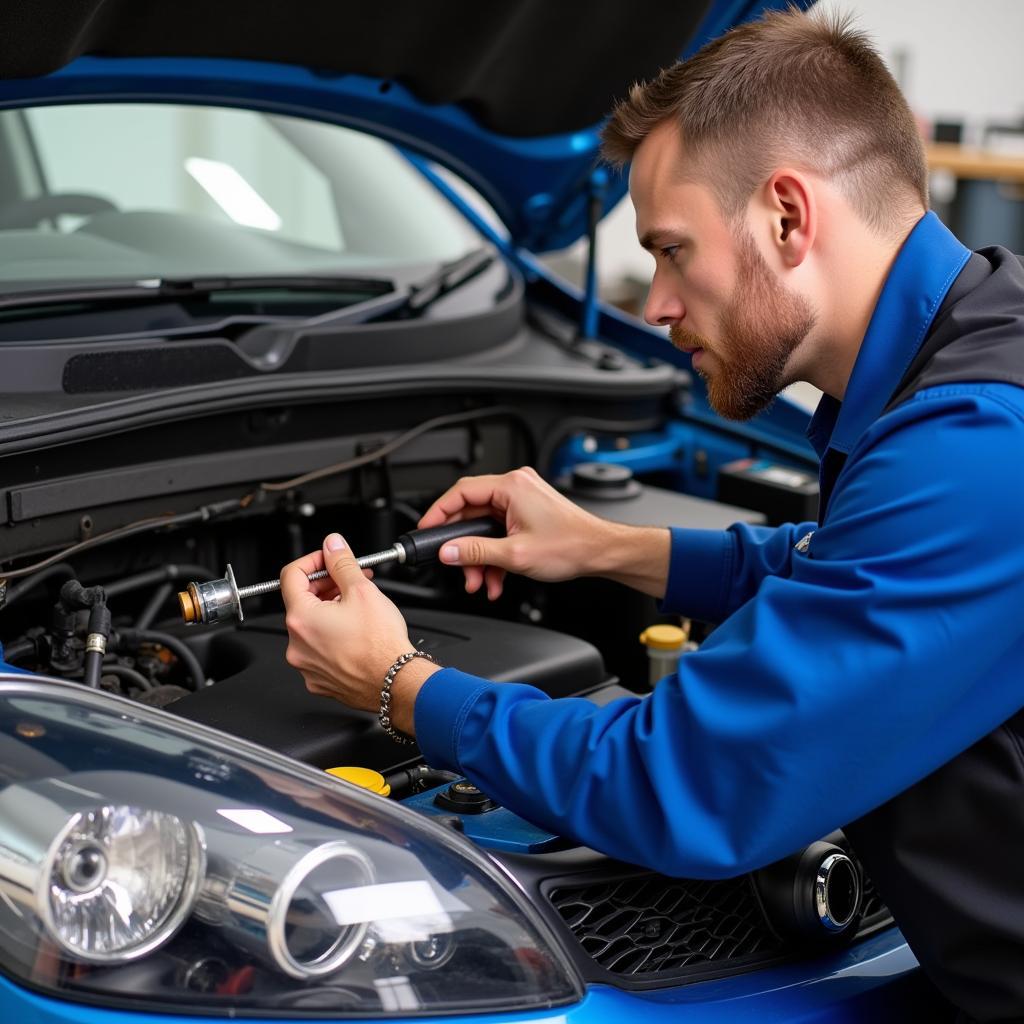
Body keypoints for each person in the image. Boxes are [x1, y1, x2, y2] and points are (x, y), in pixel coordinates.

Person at [280, 9, 1024, 1021]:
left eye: (672, 251)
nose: (655, 304)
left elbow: (684, 780)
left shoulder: (977, 449)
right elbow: (852, 566)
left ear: (787, 217)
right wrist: (608, 548)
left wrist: (399, 682)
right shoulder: (976, 343)